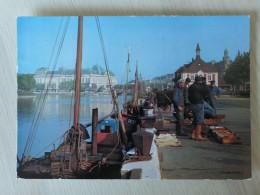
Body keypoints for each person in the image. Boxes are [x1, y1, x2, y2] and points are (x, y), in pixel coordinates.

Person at [188, 76, 208, 141]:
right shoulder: (200, 87)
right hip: (199, 104)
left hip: (192, 104)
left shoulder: (191, 87)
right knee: (199, 120)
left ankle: (193, 134)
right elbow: (207, 91)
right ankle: (198, 135)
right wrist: (204, 83)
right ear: (199, 81)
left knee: (195, 119)